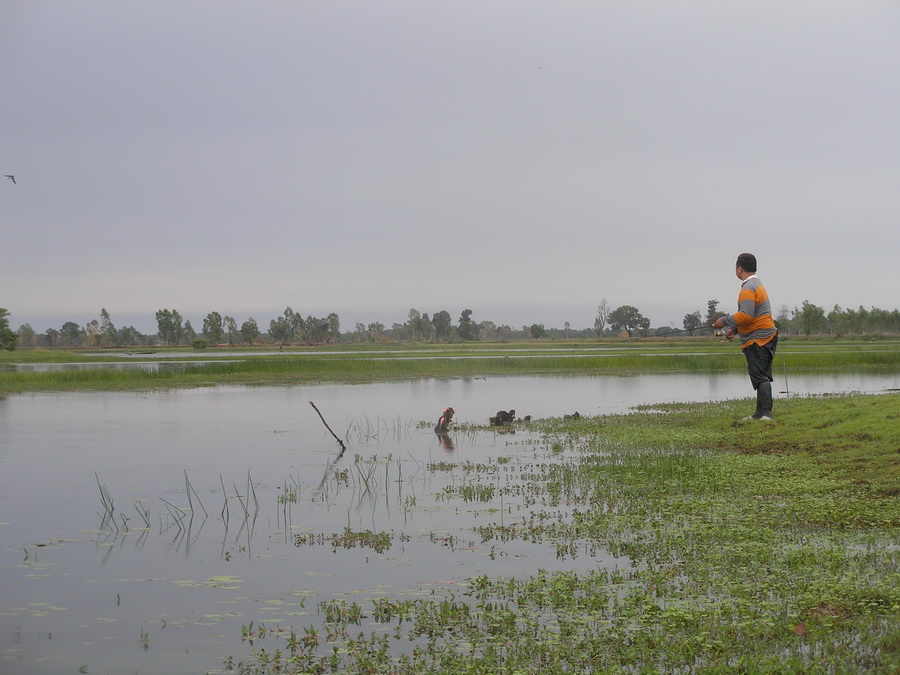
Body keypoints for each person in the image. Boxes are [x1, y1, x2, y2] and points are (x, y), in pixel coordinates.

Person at [712, 253, 778, 420]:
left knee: (759, 375)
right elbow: (751, 315)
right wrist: (734, 329)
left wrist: (724, 321)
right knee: (761, 375)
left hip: (758, 339)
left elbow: (746, 315)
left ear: (739, 268)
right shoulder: (756, 284)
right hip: (764, 335)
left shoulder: (748, 288)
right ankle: (759, 414)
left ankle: (767, 414)